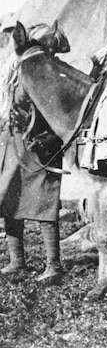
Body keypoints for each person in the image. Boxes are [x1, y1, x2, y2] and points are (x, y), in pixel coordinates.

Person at [0, 24, 69, 283]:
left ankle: (54, 265)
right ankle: (17, 261)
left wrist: (50, 137)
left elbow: (61, 111)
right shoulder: (14, 69)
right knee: (10, 199)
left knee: (44, 204)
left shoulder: (50, 71)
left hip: (42, 145)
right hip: (14, 142)